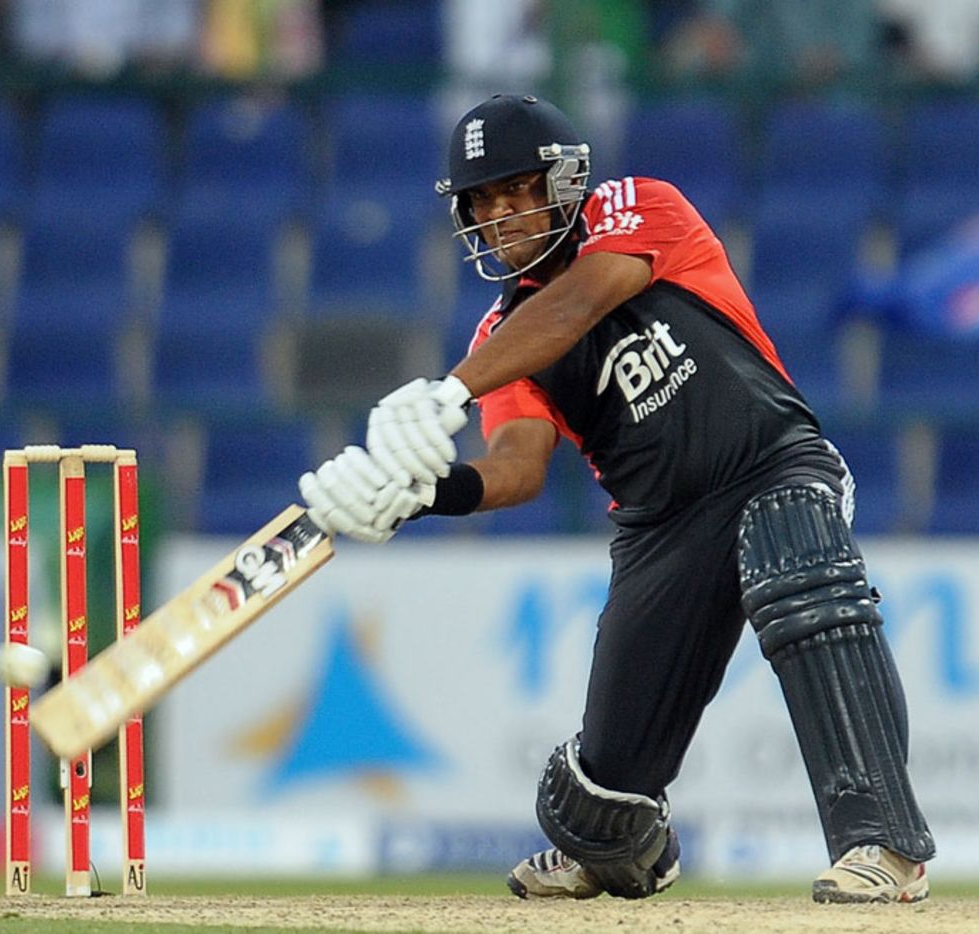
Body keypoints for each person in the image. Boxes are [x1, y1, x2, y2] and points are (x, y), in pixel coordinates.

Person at [298, 93, 936, 903]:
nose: (504, 216)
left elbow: (581, 301)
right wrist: (424, 493)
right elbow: (516, 468)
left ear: (565, 180)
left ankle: (883, 843)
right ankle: (629, 849)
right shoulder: (501, 341)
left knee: (802, 580)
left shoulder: (638, 208)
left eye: (520, 188)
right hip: (660, 528)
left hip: (771, 464)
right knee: (598, 805)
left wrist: (447, 391)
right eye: (485, 201)